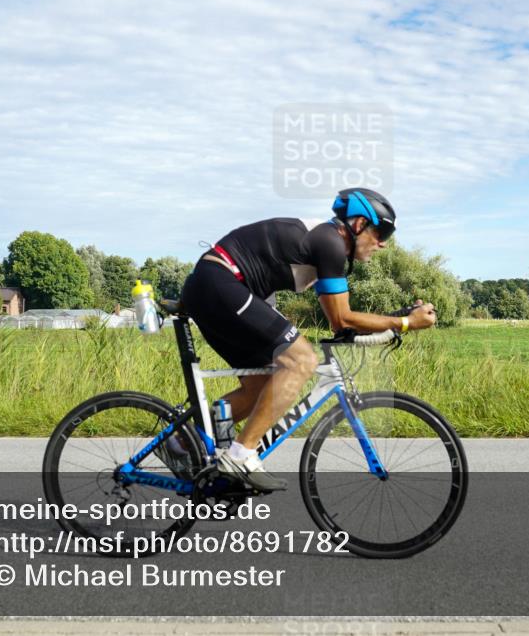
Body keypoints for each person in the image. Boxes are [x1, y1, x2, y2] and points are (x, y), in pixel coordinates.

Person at [178, 188, 436, 491]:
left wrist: (398, 317)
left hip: (220, 287)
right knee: (302, 359)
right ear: (357, 225)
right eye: (380, 232)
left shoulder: (326, 245)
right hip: (220, 281)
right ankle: (241, 455)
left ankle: (180, 440)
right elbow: (341, 319)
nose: (382, 243)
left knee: (261, 387)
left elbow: (342, 323)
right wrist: (405, 323)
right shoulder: (329, 243)